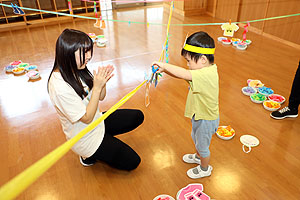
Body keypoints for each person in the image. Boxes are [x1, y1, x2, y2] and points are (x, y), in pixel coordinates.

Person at [47, 29, 144, 171]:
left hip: (97, 121)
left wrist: (102, 83)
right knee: (133, 162)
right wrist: (97, 87)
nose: (89, 57)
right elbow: (86, 118)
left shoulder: (78, 68)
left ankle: (106, 140)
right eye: (84, 53)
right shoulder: (59, 86)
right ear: (68, 53)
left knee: (137, 116)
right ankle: (88, 155)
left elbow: (101, 96)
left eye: (89, 51)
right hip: (85, 138)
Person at [152, 31, 219, 179]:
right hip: (199, 114)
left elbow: (184, 74)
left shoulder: (207, 74)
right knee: (195, 137)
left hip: (207, 119)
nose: (187, 65)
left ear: (202, 59)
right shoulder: (202, 69)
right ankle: (198, 156)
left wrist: (164, 64)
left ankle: (204, 168)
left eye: (189, 61)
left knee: (203, 145)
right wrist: (166, 70)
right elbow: (183, 75)